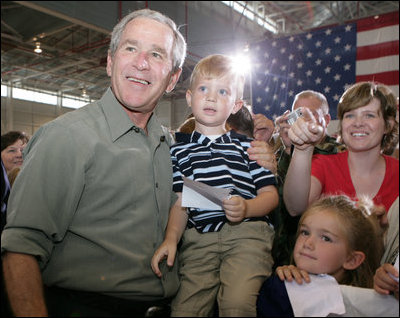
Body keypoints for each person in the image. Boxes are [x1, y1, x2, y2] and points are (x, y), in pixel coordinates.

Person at [1, 8, 187, 317]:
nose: (141, 63)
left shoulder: (176, 148)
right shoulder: (66, 137)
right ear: (110, 62)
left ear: (172, 79)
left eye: (156, 54)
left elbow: (215, 208)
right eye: (131, 48)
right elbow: (20, 247)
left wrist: (258, 164)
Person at [151, 54, 279, 317]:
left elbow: (270, 195)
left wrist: (247, 207)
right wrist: (171, 239)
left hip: (246, 236)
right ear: (189, 98)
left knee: (237, 305)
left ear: (236, 105)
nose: (211, 97)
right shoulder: (179, 153)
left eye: (223, 91)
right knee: (185, 310)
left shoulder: (249, 148)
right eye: (203, 89)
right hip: (200, 240)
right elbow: (181, 202)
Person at [284, 82, 399, 217]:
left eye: (369, 115)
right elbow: (295, 208)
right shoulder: (324, 165)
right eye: (350, 115)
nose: (358, 123)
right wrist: (303, 149)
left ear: (388, 125)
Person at [257, 194, 384, 317]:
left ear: (352, 260)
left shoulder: (366, 306)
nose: (308, 243)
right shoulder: (279, 289)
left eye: (325, 238)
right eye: (305, 232)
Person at [271, 90, 344, 269]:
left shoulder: (340, 153)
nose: (302, 121)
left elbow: (299, 207)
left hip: (321, 258)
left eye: (310, 114)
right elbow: (278, 198)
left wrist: (302, 148)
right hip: (279, 254)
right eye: (298, 114)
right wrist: (289, 150)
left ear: (326, 120)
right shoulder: (279, 154)